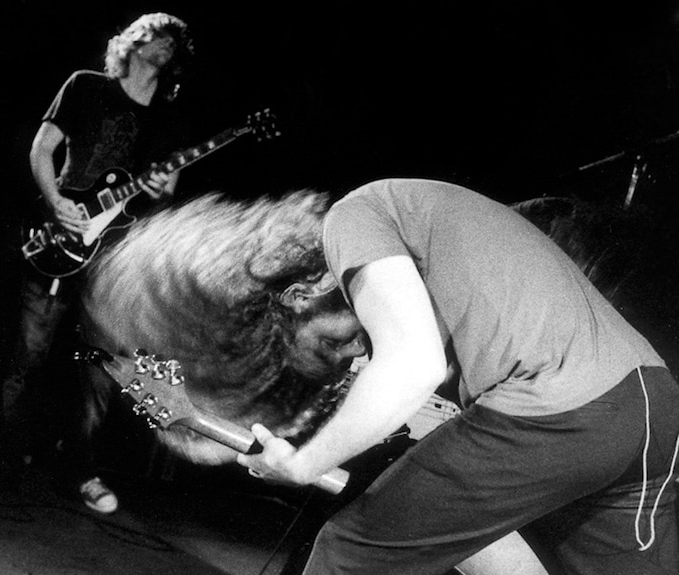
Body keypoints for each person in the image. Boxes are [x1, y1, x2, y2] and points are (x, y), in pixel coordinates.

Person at [237, 178, 679, 574]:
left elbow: (414, 365)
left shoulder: (352, 216)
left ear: (298, 298)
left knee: (350, 552)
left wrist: (302, 465)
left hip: (562, 409)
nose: (355, 350)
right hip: (654, 405)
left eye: (329, 345)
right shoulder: (438, 224)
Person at [0, 12, 196, 517]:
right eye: (159, 34)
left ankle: (81, 472)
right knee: (26, 360)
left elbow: (168, 187)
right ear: (135, 39)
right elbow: (43, 149)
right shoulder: (87, 87)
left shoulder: (168, 117)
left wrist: (160, 188)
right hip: (58, 241)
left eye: (174, 43)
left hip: (113, 256)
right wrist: (55, 201)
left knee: (99, 372)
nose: (166, 45)